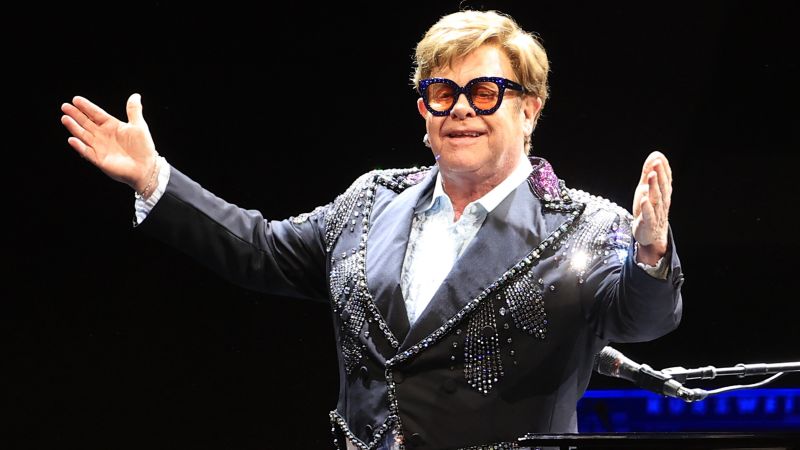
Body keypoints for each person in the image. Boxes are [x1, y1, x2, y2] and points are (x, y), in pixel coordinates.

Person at [59, 9, 683, 450]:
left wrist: (651, 253)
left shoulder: (584, 225)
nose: (461, 107)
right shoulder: (370, 202)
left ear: (529, 109)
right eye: (442, 91)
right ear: (424, 111)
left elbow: (642, 317)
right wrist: (154, 179)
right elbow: (261, 251)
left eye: (486, 91)